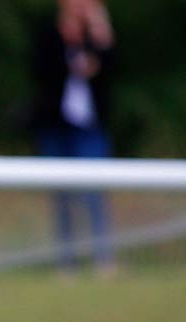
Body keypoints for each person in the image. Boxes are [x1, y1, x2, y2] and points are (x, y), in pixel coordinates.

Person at [29, 0, 117, 272]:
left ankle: (103, 258)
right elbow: (39, 73)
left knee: (95, 193)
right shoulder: (50, 36)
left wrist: (100, 30)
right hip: (56, 126)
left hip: (89, 127)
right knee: (62, 196)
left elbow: (114, 69)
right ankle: (66, 261)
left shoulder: (96, 38)